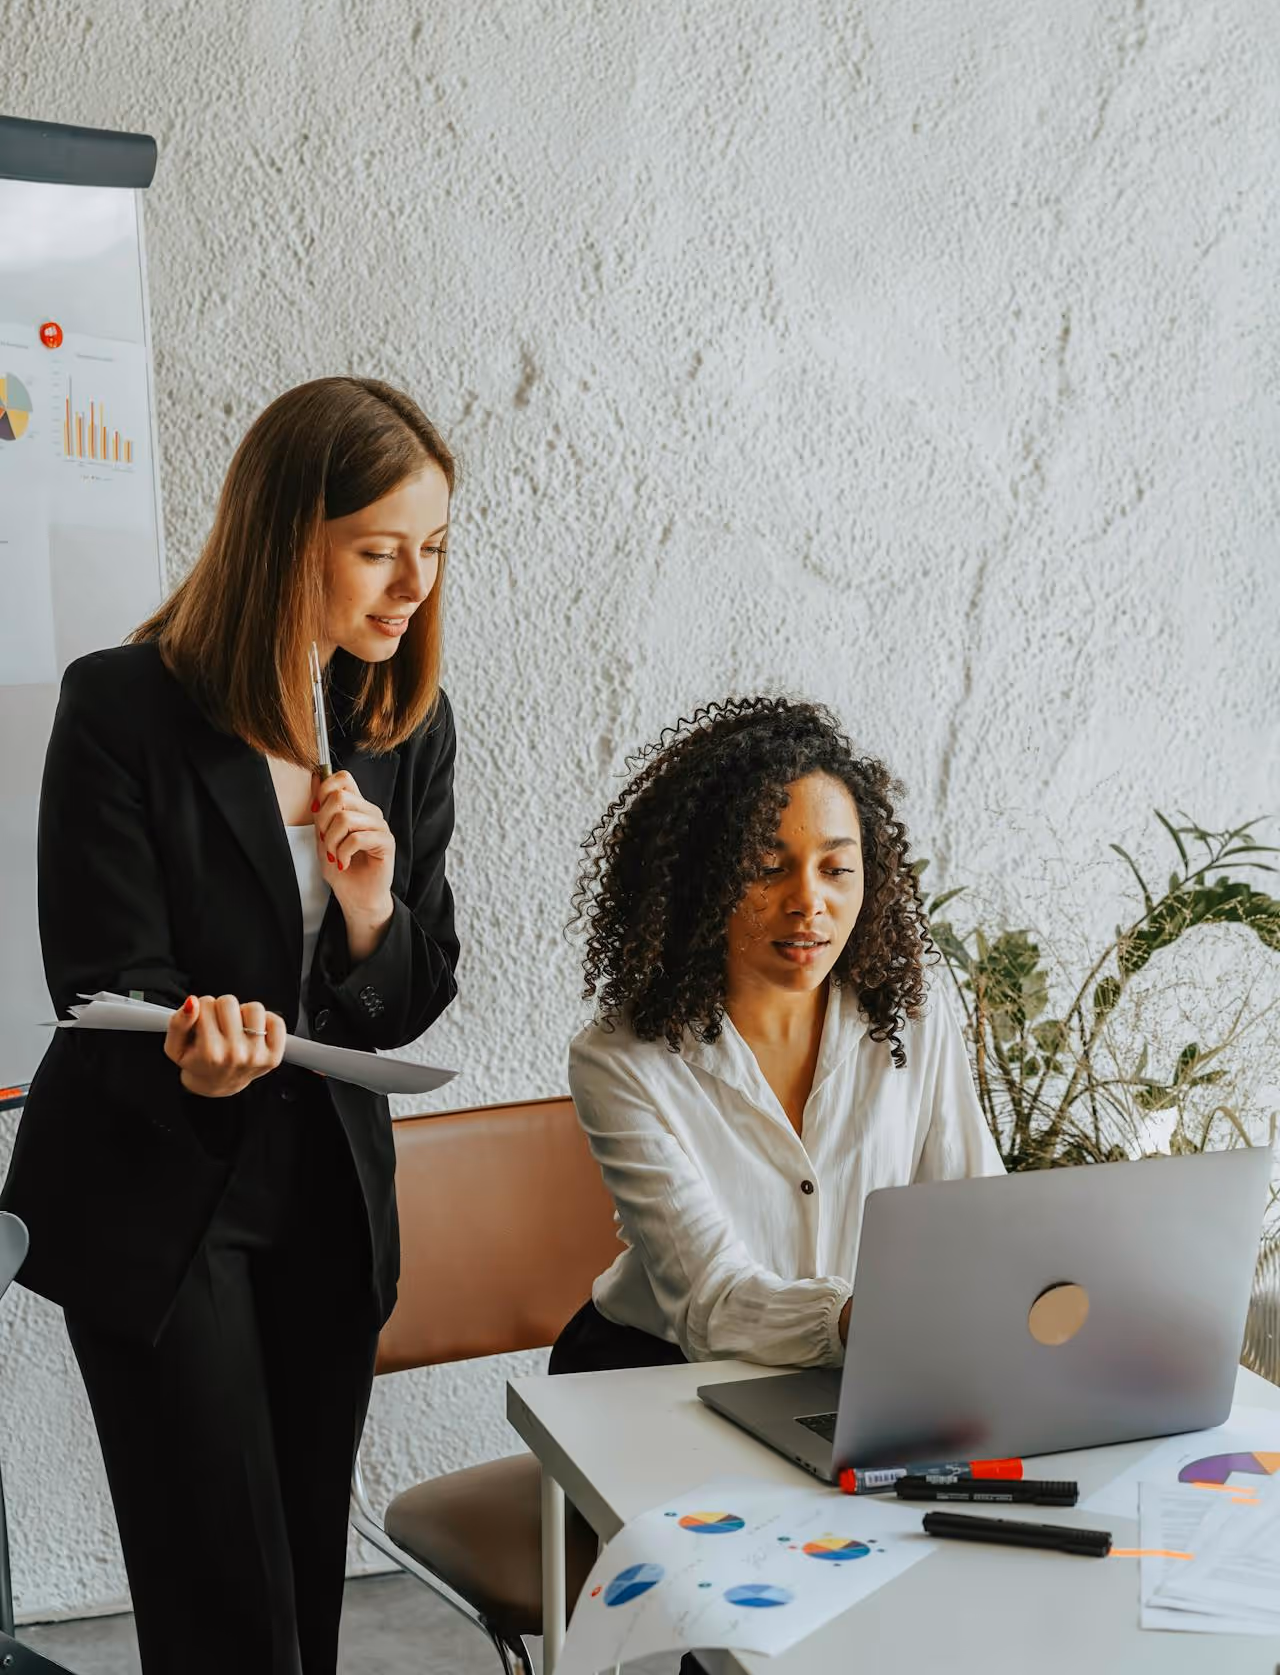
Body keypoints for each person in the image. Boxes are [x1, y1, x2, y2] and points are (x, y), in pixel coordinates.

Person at [2, 376, 459, 1675]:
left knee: (305, 1586)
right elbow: (101, 976)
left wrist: (369, 914)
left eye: (431, 549)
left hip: (325, 1202)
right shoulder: (122, 709)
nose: (411, 585)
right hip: (160, 1197)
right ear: (282, 538)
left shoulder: (396, 725)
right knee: (221, 1607)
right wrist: (196, 1064)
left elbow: (415, 988)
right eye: (378, 549)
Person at [552, 695, 1005, 1376]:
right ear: (702, 881)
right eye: (767, 867)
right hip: (657, 1373)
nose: (808, 902)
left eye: (836, 868)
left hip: (861, 1364)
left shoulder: (911, 1014)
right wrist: (869, 1321)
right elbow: (712, 1304)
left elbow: (978, 1214)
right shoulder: (621, 1061)